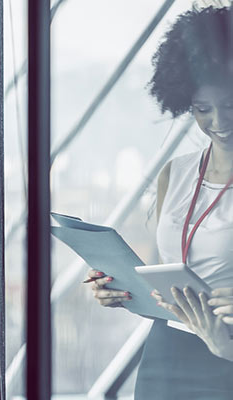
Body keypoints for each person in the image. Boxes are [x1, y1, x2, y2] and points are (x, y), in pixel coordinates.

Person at [88, 5, 233, 398]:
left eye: (231, 105)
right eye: (204, 109)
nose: (219, 121)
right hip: (168, 350)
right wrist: (121, 291)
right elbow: (160, 274)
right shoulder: (178, 172)